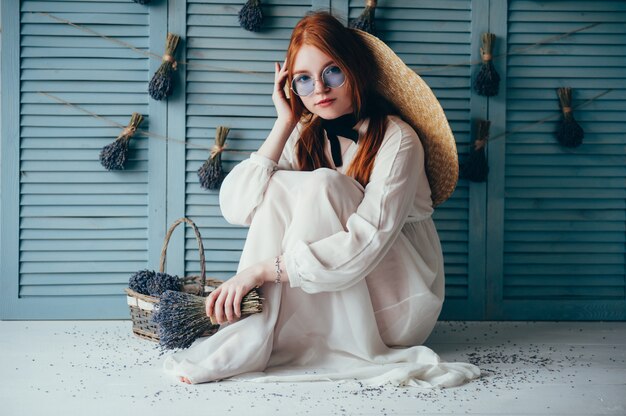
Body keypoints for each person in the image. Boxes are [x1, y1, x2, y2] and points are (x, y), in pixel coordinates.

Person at [164, 10, 481, 388]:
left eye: (333, 72)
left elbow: (368, 243)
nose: (319, 89)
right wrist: (284, 122)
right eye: (303, 79)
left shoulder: (398, 140)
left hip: (395, 307)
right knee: (280, 184)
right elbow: (237, 207)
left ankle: (256, 339)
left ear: (355, 71)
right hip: (327, 301)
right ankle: (248, 338)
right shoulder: (304, 132)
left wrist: (259, 272)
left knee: (324, 185)